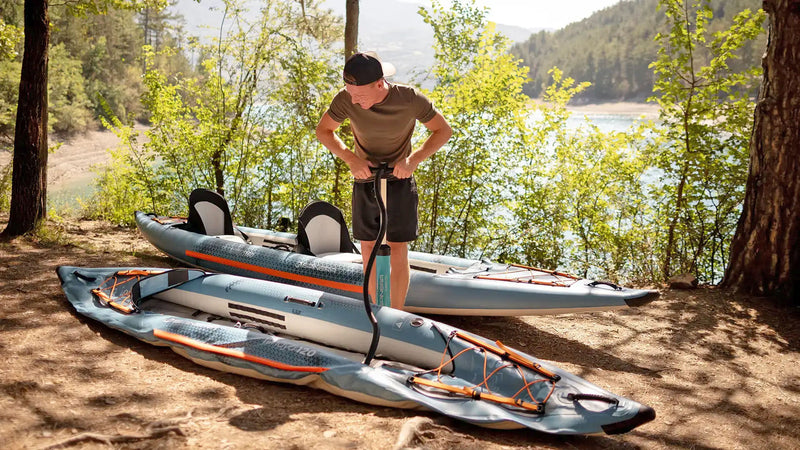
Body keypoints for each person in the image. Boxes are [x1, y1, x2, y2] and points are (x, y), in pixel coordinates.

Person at [315, 51, 452, 309]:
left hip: (399, 180)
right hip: (365, 179)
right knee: (368, 248)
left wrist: (413, 160)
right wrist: (350, 159)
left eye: (360, 95)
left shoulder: (409, 99)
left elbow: (443, 130)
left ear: (380, 84)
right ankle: (375, 310)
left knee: (398, 249)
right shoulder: (346, 99)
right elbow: (324, 131)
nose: (353, 100)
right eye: (350, 93)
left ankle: (395, 315)